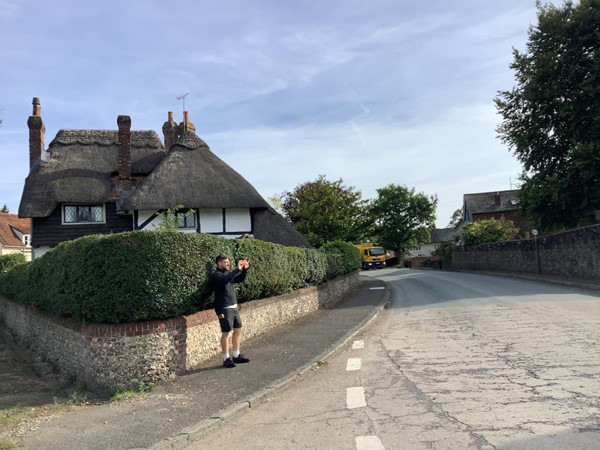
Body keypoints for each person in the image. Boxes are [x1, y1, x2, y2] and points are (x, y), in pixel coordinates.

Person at [211, 254, 251, 368]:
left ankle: (236, 355)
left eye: (228, 262)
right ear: (219, 263)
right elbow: (225, 280)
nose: (228, 264)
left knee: (238, 329)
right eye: (225, 262)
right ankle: (226, 358)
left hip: (233, 306)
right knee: (226, 332)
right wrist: (237, 269)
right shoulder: (216, 275)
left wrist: (244, 270)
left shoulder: (228, 274)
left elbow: (239, 279)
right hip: (224, 308)